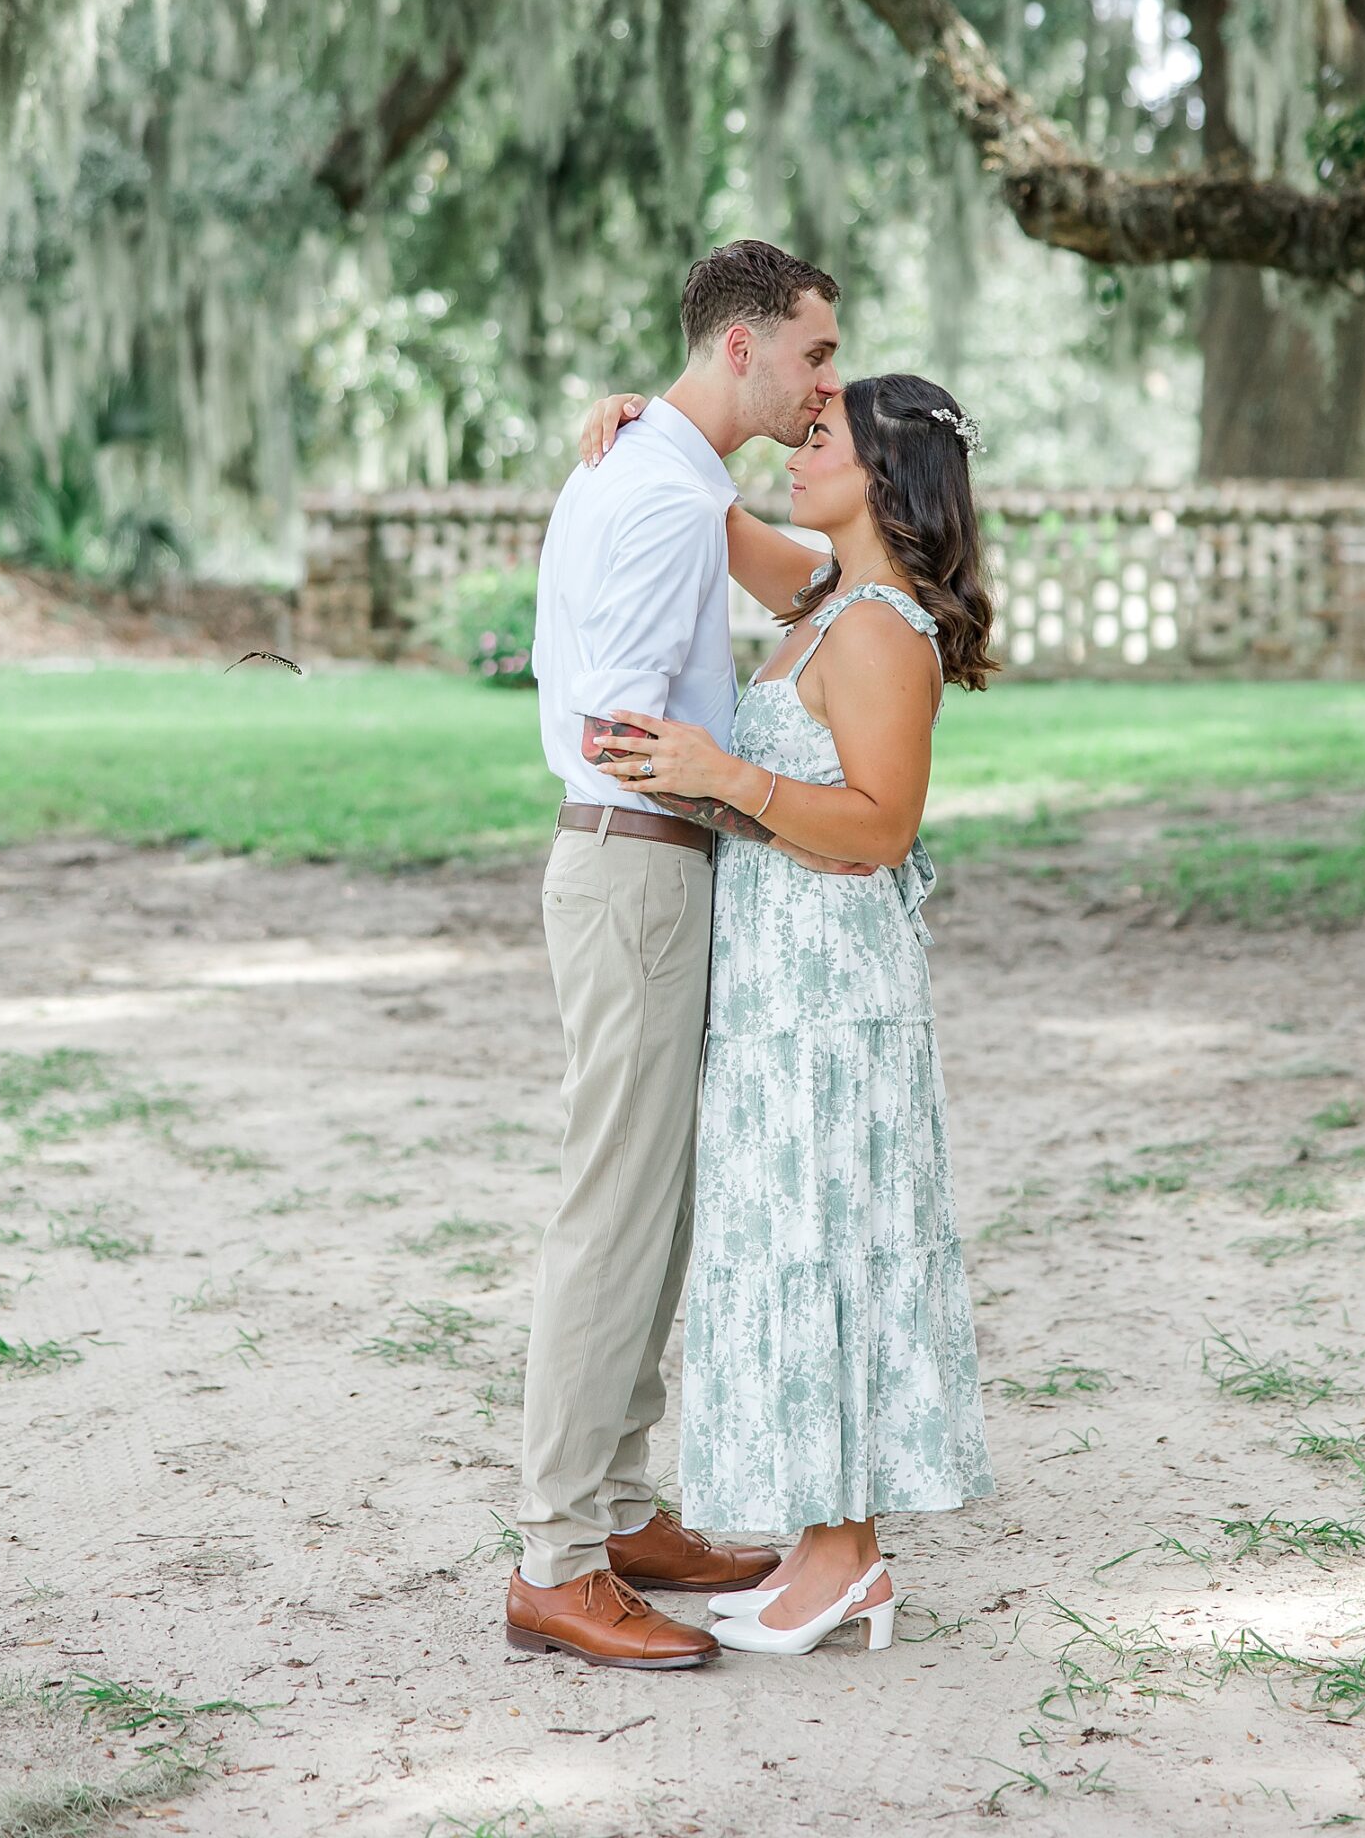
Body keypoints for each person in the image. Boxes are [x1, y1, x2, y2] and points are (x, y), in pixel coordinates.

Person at [588, 370, 996, 1659]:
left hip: (837, 1005)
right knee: (794, 1249)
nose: (795, 445)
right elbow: (702, 512)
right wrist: (633, 420)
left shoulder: (880, 629)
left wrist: (726, 776)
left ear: (887, 475)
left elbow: (881, 827)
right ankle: (830, 1551)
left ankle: (849, 1559)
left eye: (821, 436)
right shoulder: (823, 598)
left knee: (837, 1253)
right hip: (781, 995)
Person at [507, 239, 847, 1672]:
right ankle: (558, 1562)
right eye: (815, 354)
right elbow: (615, 729)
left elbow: (819, 582)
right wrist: (746, 797)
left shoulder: (662, 471)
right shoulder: (657, 485)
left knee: (659, 1212)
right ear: (739, 349)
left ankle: (623, 1508)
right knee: (613, 1214)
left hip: (652, 879)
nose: (827, 380)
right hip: (636, 875)